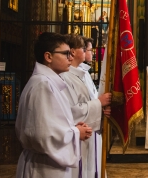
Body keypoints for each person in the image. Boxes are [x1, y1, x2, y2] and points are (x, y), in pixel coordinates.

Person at [16, 32, 92, 177]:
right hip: (45, 167)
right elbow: (42, 134)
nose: (70, 58)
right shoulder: (42, 85)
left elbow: (51, 124)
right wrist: (76, 133)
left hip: (49, 164)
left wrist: (73, 127)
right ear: (48, 56)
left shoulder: (48, 82)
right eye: (65, 54)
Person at [61, 34, 112, 178]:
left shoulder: (83, 73)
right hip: (80, 134)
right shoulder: (65, 76)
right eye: (83, 48)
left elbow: (91, 98)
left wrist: (100, 109)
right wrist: (98, 103)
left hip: (91, 131)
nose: (86, 51)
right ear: (72, 52)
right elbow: (71, 110)